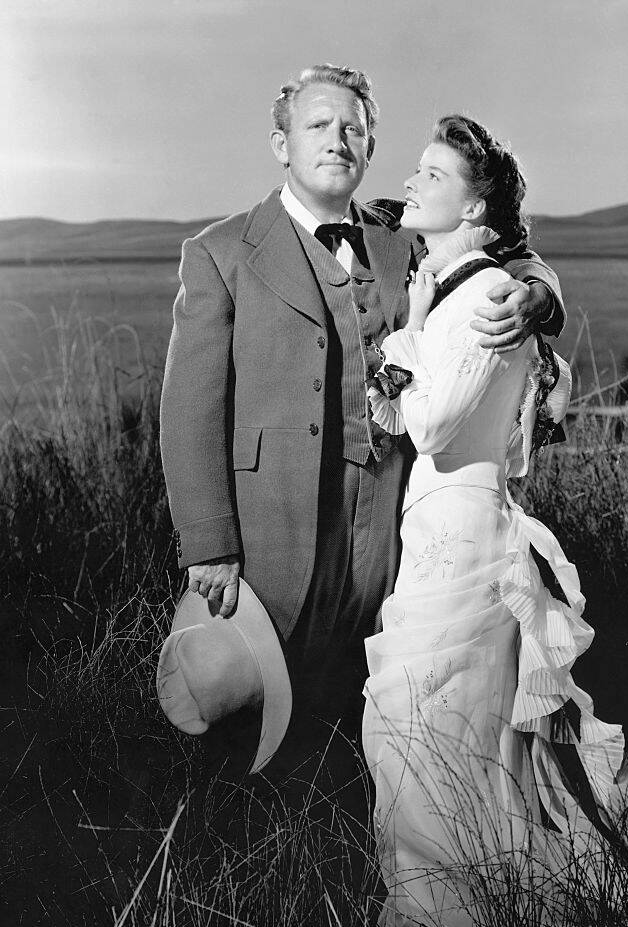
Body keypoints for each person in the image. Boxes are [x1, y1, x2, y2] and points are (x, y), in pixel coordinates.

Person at [159, 65, 567, 809]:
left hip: (391, 532)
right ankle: (251, 849)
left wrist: (540, 293)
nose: (337, 140)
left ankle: (357, 845)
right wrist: (209, 542)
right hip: (274, 528)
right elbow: (189, 410)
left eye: (352, 127)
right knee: (265, 711)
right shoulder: (221, 252)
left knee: (373, 711)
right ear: (281, 144)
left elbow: (502, 244)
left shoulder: (397, 237)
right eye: (318, 125)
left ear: (370, 146)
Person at [362, 115, 628, 927]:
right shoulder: (449, 273)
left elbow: (428, 423)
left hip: (462, 540)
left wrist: (408, 329)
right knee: (447, 736)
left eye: (433, 174)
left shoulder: (488, 296)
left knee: (432, 736)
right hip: (439, 531)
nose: (411, 183)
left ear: (476, 208)